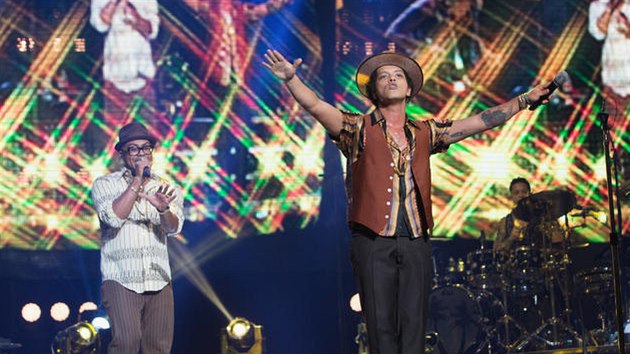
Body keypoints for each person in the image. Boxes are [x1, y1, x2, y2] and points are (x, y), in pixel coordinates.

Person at [262, 49, 554, 354]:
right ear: (374, 90)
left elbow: (479, 121)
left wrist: (523, 101)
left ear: (409, 89)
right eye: (384, 77)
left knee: (415, 324)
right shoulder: (358, 128)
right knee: (380, 326)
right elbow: (316, 106)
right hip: (372, 240)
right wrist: (292, 80)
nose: (391, 79)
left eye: (398, 75)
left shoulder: (425, 132)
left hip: (415, 239)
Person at [91, 122, 184, 354]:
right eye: (133, 149)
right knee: (126, 342)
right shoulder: (104, 184)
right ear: (122, 154)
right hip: (121, 277)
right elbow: (113, 218)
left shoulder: (166, 188)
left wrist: (163, 210)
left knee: (159, 348)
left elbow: (173, 228)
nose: (141, 153)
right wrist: (137, 181)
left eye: (145, 148)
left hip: (159, 278)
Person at [90, 0, 160, 125]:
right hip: (114, 82)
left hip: (143, 80)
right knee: (115, 137)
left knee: (146, 137)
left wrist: (135, 16)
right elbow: (100, 24)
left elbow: (151, 30)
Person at [588, 0, 630, 111]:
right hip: (614, 77)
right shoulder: (598, 5)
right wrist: (611, 8)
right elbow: (598, 33)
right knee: (612, 122)